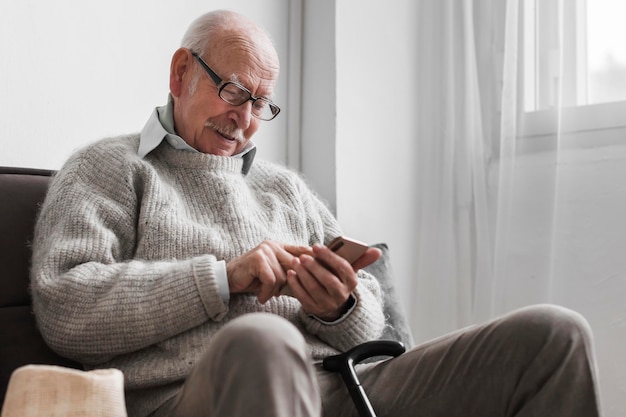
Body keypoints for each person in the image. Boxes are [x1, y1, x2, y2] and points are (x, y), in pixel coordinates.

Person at [30, 9, 602, 417]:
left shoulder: (286, 189)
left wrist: (341, 307)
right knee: (262, 340)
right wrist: (223, 277)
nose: (245, 120)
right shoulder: (109, 169)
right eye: (233, 92)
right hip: (201, 395)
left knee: (554, 335)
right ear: (180, 73)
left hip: (348, 385)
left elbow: (370, 319)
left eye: (261, 103)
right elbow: (65, 306)